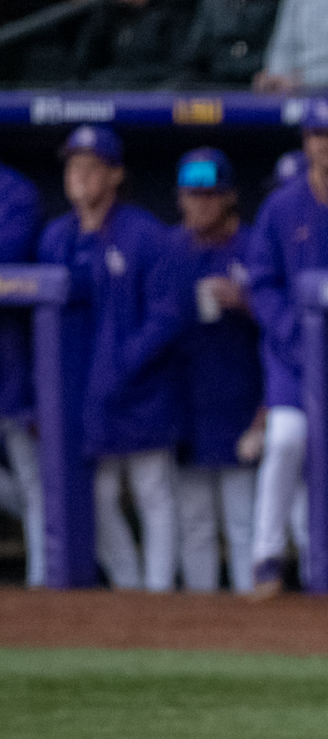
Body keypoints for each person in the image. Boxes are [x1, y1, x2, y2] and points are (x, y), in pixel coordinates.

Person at [40, 127, 193, 593]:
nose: (80, 176)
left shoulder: (145, 235)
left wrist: (124, 364)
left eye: (91, 167)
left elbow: (169, 316)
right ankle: (128, 587)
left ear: (115, 174)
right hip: (80, 395)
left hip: (142, 391)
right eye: (73, 167)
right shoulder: (56, 238)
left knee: (154, 493)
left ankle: (160, 591)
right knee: (96, 498)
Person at [242, 97, 328, 597]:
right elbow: (261, 281)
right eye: (316, 135)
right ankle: (267, 557)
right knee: (287, 440)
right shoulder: (283, 205)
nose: (326, 143)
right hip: (294, 359)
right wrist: (295, 335)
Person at [170, 148, 263, 594]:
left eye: (210, 194)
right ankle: (201, 626)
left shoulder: (254, 246)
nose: (200, 204)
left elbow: (284, 321)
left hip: (243, 400)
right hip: (187, 404)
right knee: (195, 524)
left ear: (229, 197)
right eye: (192, 195)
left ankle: (250, 626)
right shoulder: (169, 249)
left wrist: (245, 301)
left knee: (244, 522)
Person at [0, 157, 41, 588]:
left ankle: (43, 579)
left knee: (33, 478)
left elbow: (9, 254)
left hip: (12, 361)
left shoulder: (15, 191)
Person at [177, 0, 282, 86]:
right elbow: (194, 56)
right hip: (215, 83)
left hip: (258, 84)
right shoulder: (213, 4)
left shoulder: (277, 5)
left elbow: (279, 53)